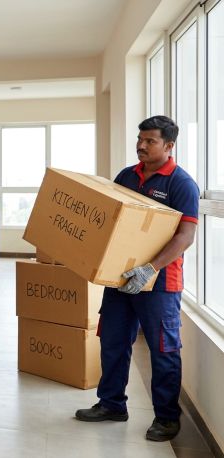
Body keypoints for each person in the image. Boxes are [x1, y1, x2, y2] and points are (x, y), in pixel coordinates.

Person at [74, 115, 199, 442]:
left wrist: (150, 268)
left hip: (160, 282)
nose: (141, 146)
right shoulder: (126, 176)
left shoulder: (181, 184)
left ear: (169, 145)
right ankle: (112, 404)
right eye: (140, 139)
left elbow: (185, 236)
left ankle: (167, 419)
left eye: (150, 141)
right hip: (121, 277)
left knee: (163, 350)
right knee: (112, 340)